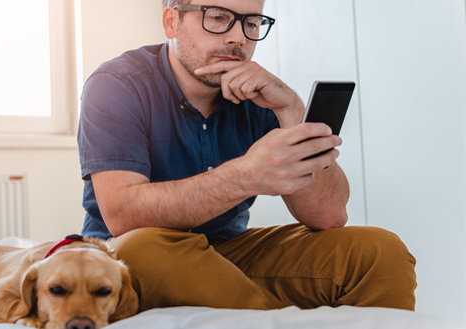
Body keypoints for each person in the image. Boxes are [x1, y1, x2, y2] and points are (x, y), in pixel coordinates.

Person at [77, 0, 416, 311]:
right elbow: (123, 216)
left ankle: (261, 310)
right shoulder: (117, 84)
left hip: (230, 255)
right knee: (140, 249)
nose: (239, 37)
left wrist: (291, 110)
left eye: (251, 23)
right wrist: (246, 176)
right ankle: (278, 317)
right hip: (137, 255)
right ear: (171, 22)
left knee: (380, 252)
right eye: (219, 18)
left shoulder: (259, 94)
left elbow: (329, 216)